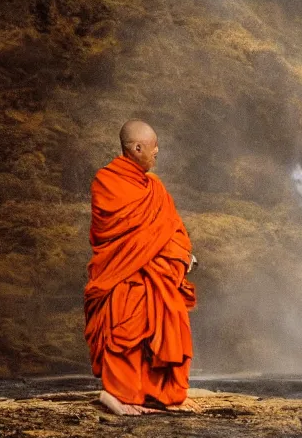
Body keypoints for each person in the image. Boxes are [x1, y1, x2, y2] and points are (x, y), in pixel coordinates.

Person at [83, 120, 200, 416]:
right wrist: (163, 254)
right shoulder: (106, 182)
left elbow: (172, 229)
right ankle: (117, 394)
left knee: (173, 317)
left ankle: (164, 394)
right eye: (153, 147)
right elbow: (114, 236)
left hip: (155, 272)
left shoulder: (155, 188)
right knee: (127, 318)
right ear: (136, 148)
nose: (157, 152)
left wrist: (183, 255)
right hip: (122, 273)